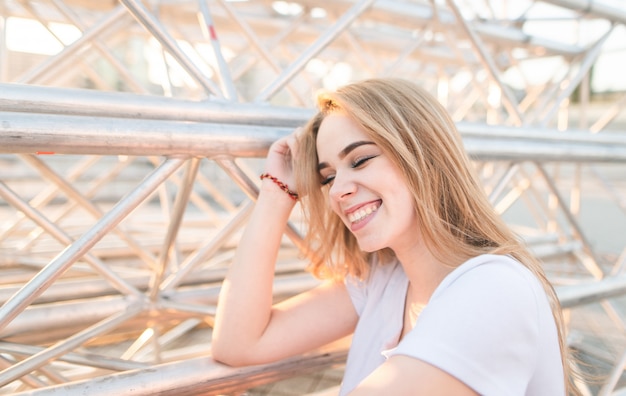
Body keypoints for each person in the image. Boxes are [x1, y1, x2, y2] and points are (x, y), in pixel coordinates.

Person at [212, 78, 579, 395]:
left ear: (424, 155)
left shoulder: (495, 290)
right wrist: (277, 193)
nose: (337, 190)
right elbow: (238, 343)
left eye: (360, 160)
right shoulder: (383, 281)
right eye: (327, 177)